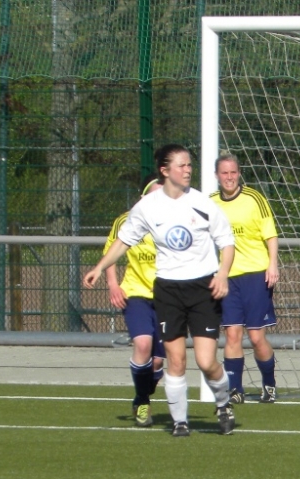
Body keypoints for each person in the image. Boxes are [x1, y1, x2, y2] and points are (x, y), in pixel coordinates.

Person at [83, 144, 237, 436]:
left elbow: (226, 242)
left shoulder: (203, 203)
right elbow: (123, 241)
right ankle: (180, 421)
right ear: (165, 171)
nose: (188, 170)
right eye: (181, 166)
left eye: (190, 165)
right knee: (175, 359)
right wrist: (100, 267)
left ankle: (223, 402)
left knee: (206, 362)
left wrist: (223, 274)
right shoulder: (147, 207)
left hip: (203, 288)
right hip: (168, 290)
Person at [209, 154, 280, 404]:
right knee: (231, 335)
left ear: (239, 174)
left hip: (255, 275)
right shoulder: (210, 203)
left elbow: (270, 235)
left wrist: (273, 264)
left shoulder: (254, 199)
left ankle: (269, 383)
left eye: (233, 172)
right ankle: (235, 389)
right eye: (224, 173)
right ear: (217, 175)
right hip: (227, 278)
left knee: (257, 336)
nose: (229, 177)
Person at [103, 176, 166, 427]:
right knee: (142, 345)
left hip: (167, 297)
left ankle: (143, 393)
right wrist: (113, 285)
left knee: (158, 361)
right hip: (136, 294)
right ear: (143, 198)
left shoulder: (175, 223)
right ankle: (142, 402)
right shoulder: (126, 221)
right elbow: (111, 253)